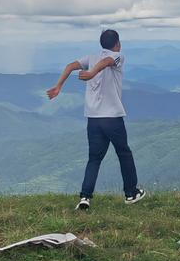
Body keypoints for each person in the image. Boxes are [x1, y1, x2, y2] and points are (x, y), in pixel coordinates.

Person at [46, 28, 145, 210]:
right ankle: (131, 193)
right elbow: (107, 61)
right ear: (117, 43)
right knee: (124, 153)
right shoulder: (118, 56)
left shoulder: (90, 58)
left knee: (94, 158)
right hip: (112, 117)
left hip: (93, 118)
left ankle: (85, 197)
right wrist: (91, 73)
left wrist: (58, 86)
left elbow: (70, 65)